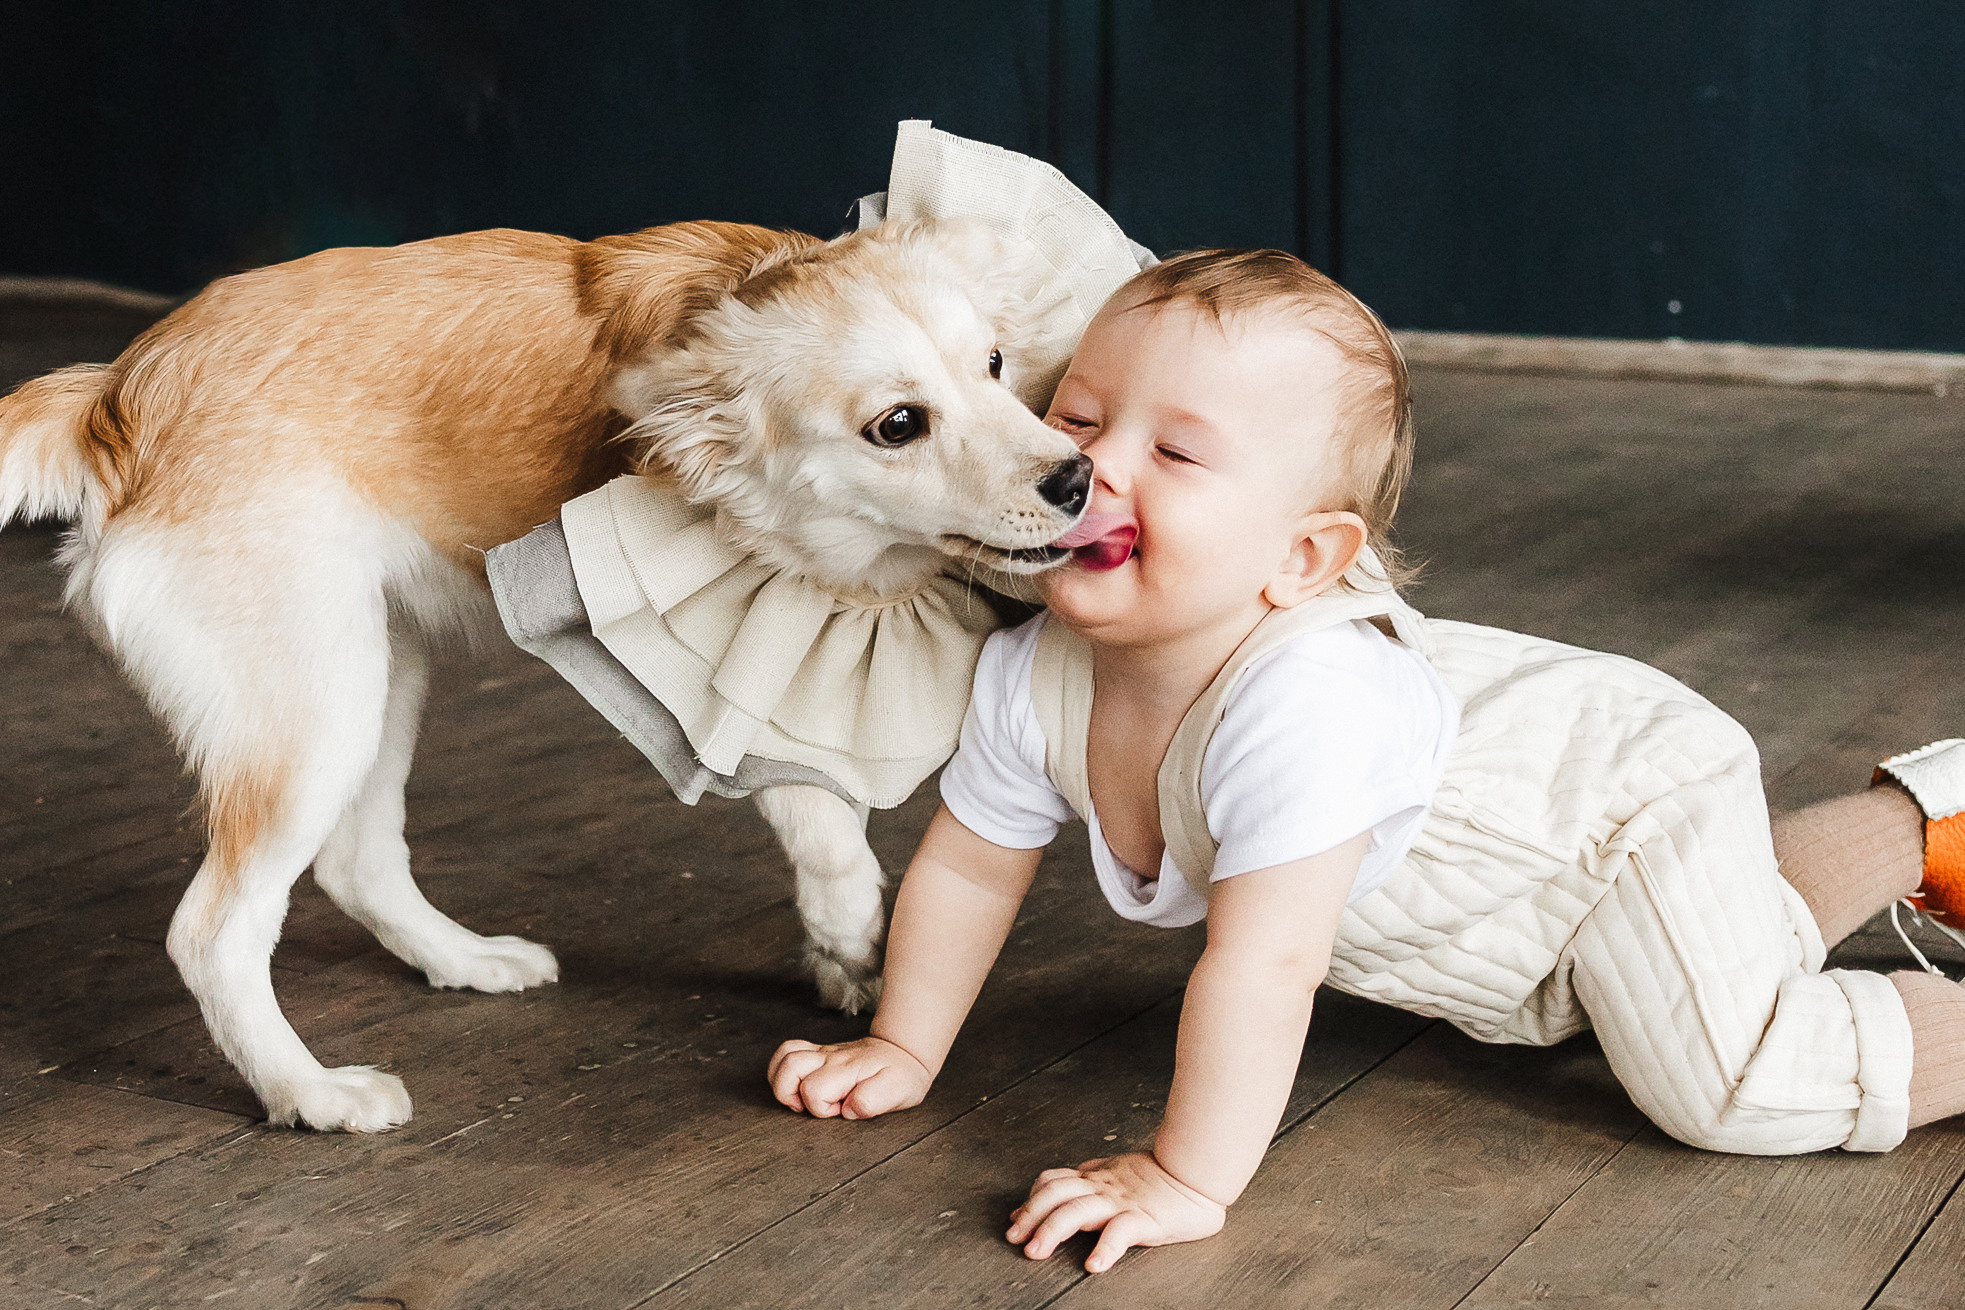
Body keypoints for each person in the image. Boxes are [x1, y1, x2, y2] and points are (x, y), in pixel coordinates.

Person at [766, 248, 1965, 1273]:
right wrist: (905, 1043)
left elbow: (1266, 964)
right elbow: (974, 868)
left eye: (1176, 455)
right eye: (1079, 418)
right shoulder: (1035, 674)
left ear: (1302, 557)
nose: (1096, 467)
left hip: (1613, 823)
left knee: (1733, 1073)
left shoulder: (1305, 703)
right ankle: (1934, 812)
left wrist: (1187, 1175)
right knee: (1725, 938)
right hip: (1545, 893)